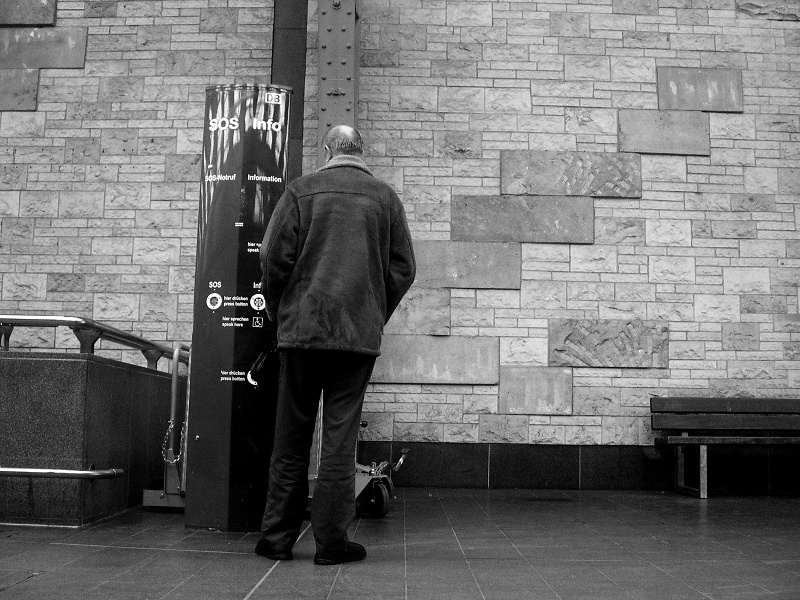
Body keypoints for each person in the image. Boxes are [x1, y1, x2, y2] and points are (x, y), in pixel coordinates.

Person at [254, 125, 416, 565]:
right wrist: (373, 311)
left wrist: (276, 306)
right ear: (360, 151)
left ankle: (276, 539)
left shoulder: (301, 191)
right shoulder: (385, 199)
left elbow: (272, 256)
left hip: (301, 334)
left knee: (290, 438)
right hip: (355, 340)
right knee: (340, 442)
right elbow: (404, 268)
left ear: (327, 151)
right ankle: (331, 543)